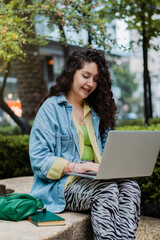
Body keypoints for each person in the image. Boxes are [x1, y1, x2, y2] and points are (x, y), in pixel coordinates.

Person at [29, 48, 141, 240]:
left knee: (131, 186)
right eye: (86, 76)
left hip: (96, 180)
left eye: (95, 79)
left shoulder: (96, 112)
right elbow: (39, 159)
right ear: (72, 73)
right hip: (62, 186)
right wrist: (77, 167)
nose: (90, 84)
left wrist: (118, 165)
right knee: (107, 189)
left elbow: (108, 153)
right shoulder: (51, 108)